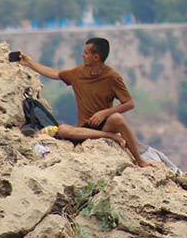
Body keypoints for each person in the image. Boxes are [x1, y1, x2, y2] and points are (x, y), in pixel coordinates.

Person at [19, 37, 152, 168]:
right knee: (63, 129)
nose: (82, 55)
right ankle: (111, 137)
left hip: (103, 124)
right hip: (84, 129)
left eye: (86, 53)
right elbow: (55, 74)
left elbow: (129, 103)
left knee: (117, 118)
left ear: (96, 57)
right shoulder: (78, 73)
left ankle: (139, 160)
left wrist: (104, 113)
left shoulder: (112, 77)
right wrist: (30, 63)